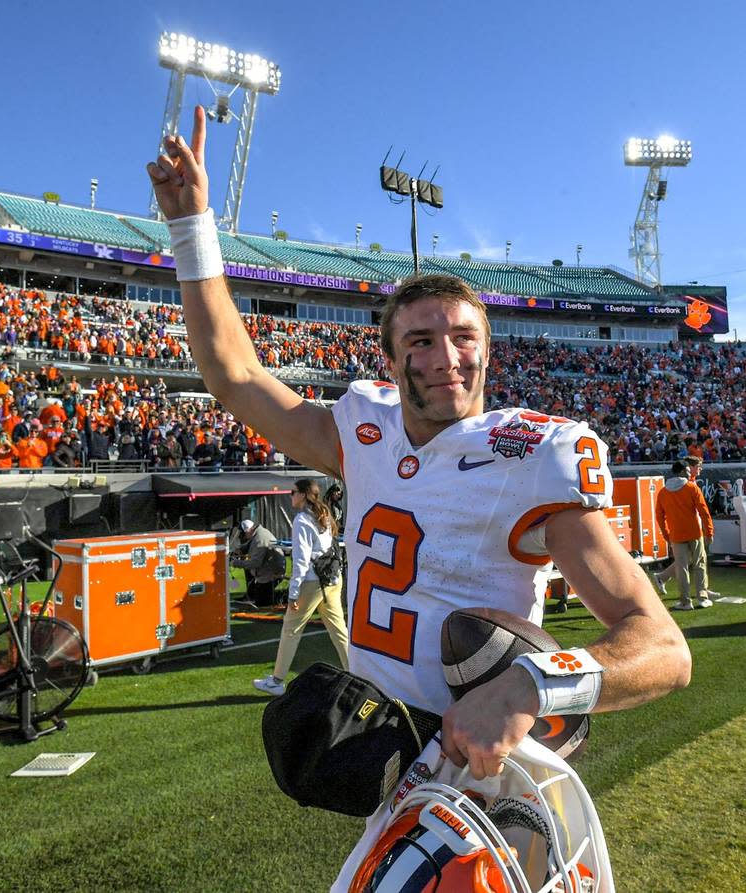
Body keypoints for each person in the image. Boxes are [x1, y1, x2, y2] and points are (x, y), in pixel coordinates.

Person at [149, 110, 691, 889]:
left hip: (483, 783)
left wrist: (525, 686)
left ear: (488, 348)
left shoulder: (529, 454)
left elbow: (663, 647)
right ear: (390, 354)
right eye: (423, 340)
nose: (448, 357)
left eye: (465, 337)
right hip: (397, 766)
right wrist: (193, 227)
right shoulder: (361, 431)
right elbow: (236, 377)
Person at [253, 479, 349, 696]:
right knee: (339, 632)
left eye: (293, 492)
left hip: (313, 582)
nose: (290, 495)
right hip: (332, 579)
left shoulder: (303, 520)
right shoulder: (323, 513)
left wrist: (293, 592)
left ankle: (277, 681)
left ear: (304, 495)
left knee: (291, 630)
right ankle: (359, 676)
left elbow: (301, 561)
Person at [653, 456, 719, 601]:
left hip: (676, 534)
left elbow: (659, 516)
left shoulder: (663, 492)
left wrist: (666, 535)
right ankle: (702, 595)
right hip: (694, 531)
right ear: (685, 469)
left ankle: (685, 600)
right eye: (694, 467)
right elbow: (704, 511)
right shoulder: (691, 487)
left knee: (682, 566)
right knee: (699, 563)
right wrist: (709, 531)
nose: (696, 470)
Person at [230, 519, 285, 606]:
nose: (242, 536)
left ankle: (285, 597)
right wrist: (240, 549)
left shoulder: (259, 539)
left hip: (273, 573)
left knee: (262, 603)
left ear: (248, 531)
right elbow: (250, 545)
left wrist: (235, 563)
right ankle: (251, 595)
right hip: (268, 569)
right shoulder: (258, 533)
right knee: (256, 594)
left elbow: (255, 563)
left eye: (243, 534)